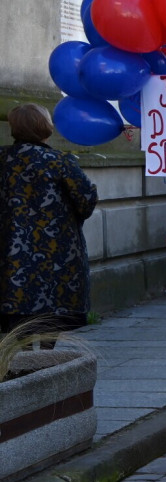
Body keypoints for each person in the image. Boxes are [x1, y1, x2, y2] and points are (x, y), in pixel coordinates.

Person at [0, 104, 98, 339]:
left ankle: (22, 355)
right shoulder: (59, 161)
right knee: (52, 312)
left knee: (15, 316)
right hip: (55, 251)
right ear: (46, 127)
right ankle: (45, 357)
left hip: (8, 250)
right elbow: (86, 200)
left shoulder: (2, 158)